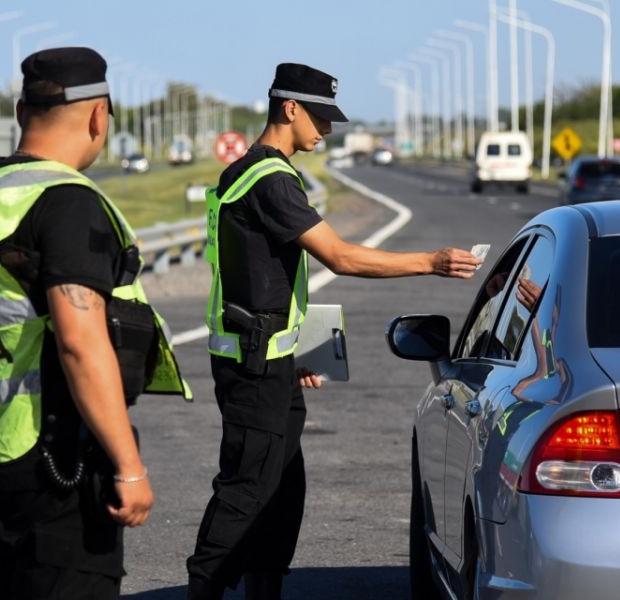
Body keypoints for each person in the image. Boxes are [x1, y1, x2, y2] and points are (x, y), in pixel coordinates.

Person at [186, 63, 483, 600]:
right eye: (319, 117)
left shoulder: (249, 172)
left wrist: (288, 353)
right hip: (253, 365)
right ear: (289, 108)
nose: (325, 130)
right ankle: (204, 587)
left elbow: (255, 276)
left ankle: (261, 590)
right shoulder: (270, 179)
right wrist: (431, 262)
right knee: (246, 492)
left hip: (264, 358)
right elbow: (341, 257)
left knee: (280, 491)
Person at [0, 47, 190, 600]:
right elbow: (78, 343)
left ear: (22, 113)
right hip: (54, 455)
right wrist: (129, 465)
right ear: (98, 116)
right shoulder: (63, 201)